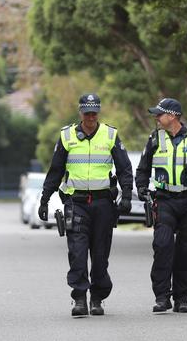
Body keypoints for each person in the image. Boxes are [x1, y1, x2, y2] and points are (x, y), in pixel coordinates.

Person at [38, 93, 133, 317]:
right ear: (80, 112)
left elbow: (124, 168)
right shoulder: (67, 136)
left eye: (94, 112)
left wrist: (127, 195)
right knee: (78, 253)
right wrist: (44, 199)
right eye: (87, 112)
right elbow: (56, 171)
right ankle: (79, 298)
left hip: (103, 204)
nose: (91, 117)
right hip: (76, 202)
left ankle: (97, 298)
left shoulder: (110, 135)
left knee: (100, 256)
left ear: (98, 112)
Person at [135, 97, 187, 313]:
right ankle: (162, 297)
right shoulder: (155, 139)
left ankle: (182, 299)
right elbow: (142, 169)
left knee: (184, 251)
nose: (156, 117)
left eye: (159, 114)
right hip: (164, 201)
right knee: (162, 246)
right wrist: (142, 189)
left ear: (172, 116)